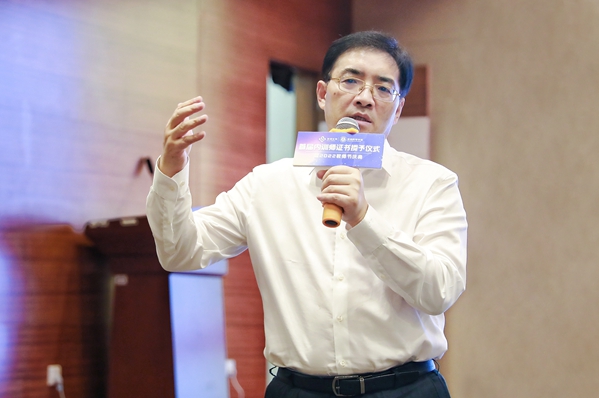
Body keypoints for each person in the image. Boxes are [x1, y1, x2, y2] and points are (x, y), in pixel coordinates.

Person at [147, 30, 467, 398]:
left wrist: (364, 218)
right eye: (351, 81)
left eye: (383, 88)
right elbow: (180, 252)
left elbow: (439, 291)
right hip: (298, 389)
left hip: (405, 389)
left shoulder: (432, 183)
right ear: (322, 94)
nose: (364, 97)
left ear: (397, 110)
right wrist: (172, 169)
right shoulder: (267, 184)